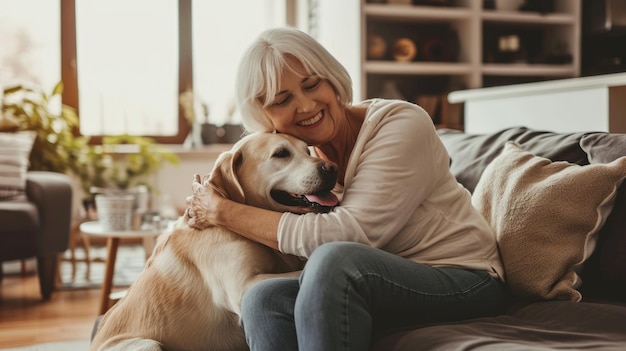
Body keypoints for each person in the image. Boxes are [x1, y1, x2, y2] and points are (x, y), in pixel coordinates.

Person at [185, 27, 508, 351]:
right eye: (283, 100)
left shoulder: (400, 124)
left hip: (463, 278)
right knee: (262, 296)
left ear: (332, 78)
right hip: (378, 282)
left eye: (312, 85)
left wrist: (221, 211)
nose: (306, 105)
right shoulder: (309, 160)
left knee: (333, 260)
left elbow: (351, 235)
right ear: (265, 115)